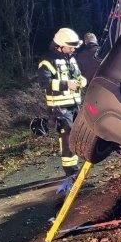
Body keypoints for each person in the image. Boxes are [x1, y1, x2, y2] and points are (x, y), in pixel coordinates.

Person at [38, 27, 87, 193]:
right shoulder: (47, 61)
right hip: (59, 107)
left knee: (78, 134)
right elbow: (44, 83)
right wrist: (67, 85)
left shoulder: (71, 58)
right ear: (60, 45)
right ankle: (71, 172)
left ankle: (77, 166)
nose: (73, 49)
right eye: (70, 47)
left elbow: (77, 75)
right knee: (67, 138)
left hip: (74, 104)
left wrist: (81, 80)